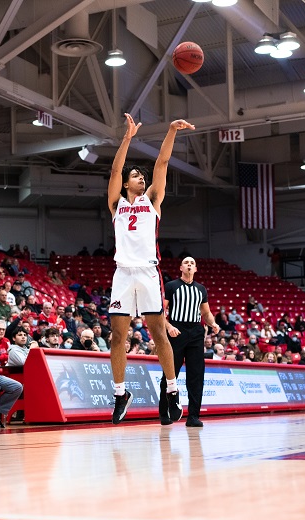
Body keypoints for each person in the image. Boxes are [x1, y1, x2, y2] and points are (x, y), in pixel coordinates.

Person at [106, 113, 194, 425]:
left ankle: (172, 390)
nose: (140, 178)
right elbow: (116, 169)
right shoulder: (116, 204)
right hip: (122, 274)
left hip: (147, 272)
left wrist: (171, 131)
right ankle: (120, 393)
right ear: (126, 183)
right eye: (135, 176)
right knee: (118, 336)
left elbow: (162, 164)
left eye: (141, 176)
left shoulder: (153, 200)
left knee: (158, 332)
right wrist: (127, 139)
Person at [162, 257, 220, 425]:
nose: (189, 265)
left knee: (196, 375)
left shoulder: (201, 289)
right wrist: (168, 326)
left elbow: (206, 313)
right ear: (180, 267)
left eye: (192, 263)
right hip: (177, 330)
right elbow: (160, 311)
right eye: (186, 263)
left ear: (196, 269)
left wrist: (213, 323)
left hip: (195, 331)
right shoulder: (171, 286)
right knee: (170, 373)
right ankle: (164, 413)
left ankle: (193, 416)